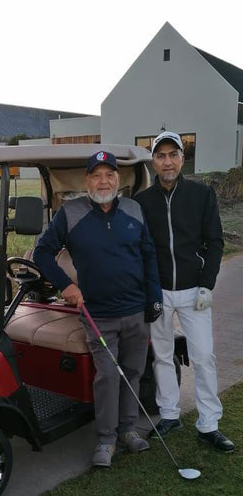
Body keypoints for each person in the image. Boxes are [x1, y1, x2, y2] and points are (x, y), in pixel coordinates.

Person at [33, 150, 163, 468]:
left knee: (132, 373)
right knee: (108, 376)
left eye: (110, 175)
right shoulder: (71, 213)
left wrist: (154, 298)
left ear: (118, 180)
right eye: (97, 175)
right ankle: (106, 440)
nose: (103, 180)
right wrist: (66, 285)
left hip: (135, 311)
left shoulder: (133, 210)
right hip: (98, 314)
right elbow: (43, 253)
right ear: (87, 180)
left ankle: (128, 430)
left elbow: (148, 256)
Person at [137, 131, 234, 452]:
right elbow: (141, 250)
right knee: (162, 356)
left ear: (182, 158)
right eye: (160, 156)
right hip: (159, 292)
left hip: (195, 291)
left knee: (204, 356)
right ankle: (168, 414)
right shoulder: (142, 202)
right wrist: (147, 290)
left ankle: (209, 424)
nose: (167, 162)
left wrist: (207, 283)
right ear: (153, 161)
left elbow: (215, 241)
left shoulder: (201, 194)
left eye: (173, 155)